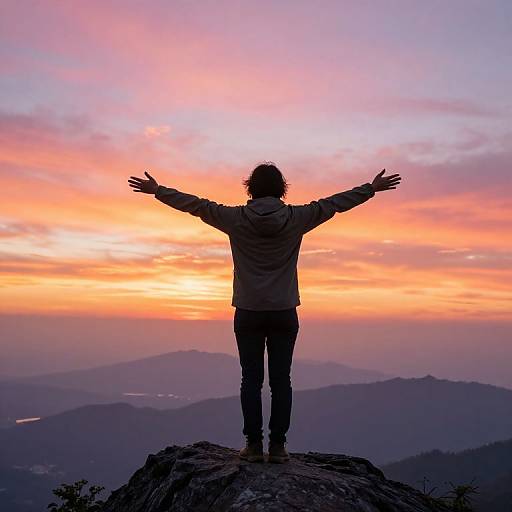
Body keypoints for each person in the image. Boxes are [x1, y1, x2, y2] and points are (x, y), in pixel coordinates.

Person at [128, 163, 401, 463]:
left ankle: (254, 446)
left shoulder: (235, 219)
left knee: (251, 380)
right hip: (284, 311)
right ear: (281, 189)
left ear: (250, 188)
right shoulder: (297, 218)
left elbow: (197, 206)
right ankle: (279, 447)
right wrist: (370, 189)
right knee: (281, 381)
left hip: (248, 311)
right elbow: (333, 204)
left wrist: (158, 192)